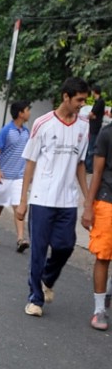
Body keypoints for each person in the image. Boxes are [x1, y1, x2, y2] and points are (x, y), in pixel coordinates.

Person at [16, 78, 89, 317]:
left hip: (68, 200)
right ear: (66, 97)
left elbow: (80, 164)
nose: (82, 104)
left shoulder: (83, 126)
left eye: (84, 100)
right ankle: (35, 298)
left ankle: (47, 279)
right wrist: (23, 199)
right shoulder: (43, 123)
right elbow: (30, 163)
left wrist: (87, 199)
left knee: (66, 245)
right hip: (41, 198)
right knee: (38, 250)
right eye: (79, 99)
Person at [82, 114, 112, 331]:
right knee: (103, 256)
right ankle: (99, 309)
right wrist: (88, 207)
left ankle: (108, 290)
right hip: (107, 201)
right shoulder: (106, 133)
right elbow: (97, 172)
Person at [0, 101, 31, 250]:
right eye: (27, 109)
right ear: (20, 113)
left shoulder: (27, 132)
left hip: (19, 176)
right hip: (4, 175)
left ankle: (20, 238)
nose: (29, 112)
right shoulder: (6, 130)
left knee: (18, 206)